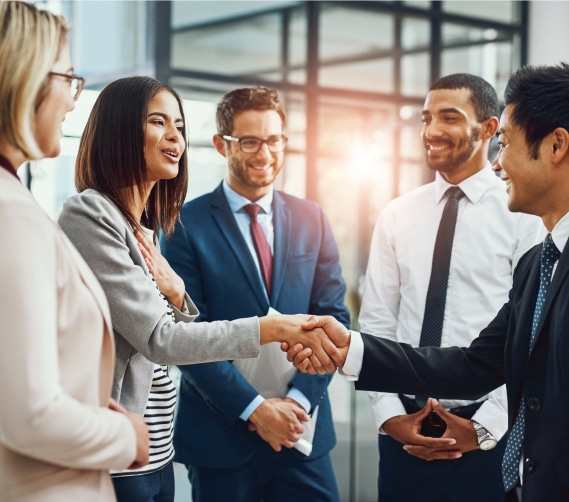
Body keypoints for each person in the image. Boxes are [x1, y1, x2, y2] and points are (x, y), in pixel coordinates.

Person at [289, 62, 569, 502]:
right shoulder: (540, 263)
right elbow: (475, 363)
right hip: (411, 433)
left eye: (507, 144)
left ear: (555, 145)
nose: (499, 162)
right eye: (426, 118)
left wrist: (483, 428)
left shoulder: (528, 227)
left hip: (495, 444)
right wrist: (354, 352)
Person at [57, 77, 339, 502]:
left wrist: (178, 295)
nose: (174, 136)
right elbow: (162, 340)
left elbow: (164, 329)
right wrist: (271, 330)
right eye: (158, 122)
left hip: (156, 450)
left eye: (179, 126)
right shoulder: (94, 213)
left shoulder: (146, 228)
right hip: (125, 448)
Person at [161, 86, 350, 502]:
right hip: (221, 437)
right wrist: (257, 410)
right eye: (249, 141)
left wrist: (299, 401)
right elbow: (189, 334)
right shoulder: (182, 225)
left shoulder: (311, 218)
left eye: (275, 140)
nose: (265, 153)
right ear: (220, 144)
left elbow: (334, 316)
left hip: (304, 433)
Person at [359, 74, 542, 501]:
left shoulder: (523, 217)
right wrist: (389, 417)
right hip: (402, 431)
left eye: (449, 117)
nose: (431, 130)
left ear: (488, 129)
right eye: (426, 118)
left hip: (486, 437)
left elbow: (525, 337)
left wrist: (482, 428)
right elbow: (377, 321)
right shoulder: (397, 214)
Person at [0, 2, 149, 500]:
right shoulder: (12, 214)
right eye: (69, 78)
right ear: (27, 79)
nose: (71, 101)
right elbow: (31, 416)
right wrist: (126, 435)